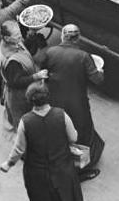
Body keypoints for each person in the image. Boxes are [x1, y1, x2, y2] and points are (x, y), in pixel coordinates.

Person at [0, 82, 84, 201]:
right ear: (47, 97)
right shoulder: (61, 115)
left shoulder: (26, 122)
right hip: (61, 166)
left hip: (36, 168)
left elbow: (19, 148)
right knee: (64, 195)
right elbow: (73, 137)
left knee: (35, 193)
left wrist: (9, 163)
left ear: (30, 101)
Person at [38, 24, 105, 181]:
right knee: (81, 136)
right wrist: (100, 71)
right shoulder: (83, 56)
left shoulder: (51, 52)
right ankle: (78, 172)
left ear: (62, 36)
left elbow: (43, 71)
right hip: (77, 104)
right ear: (78, 38)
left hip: (54, 101)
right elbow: (97, 79)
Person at [0, 20, 47, 129]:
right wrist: (37, 76)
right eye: (17, 36)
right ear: (7, 38)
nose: (20, 38)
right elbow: (16, 82)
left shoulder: (12, 42)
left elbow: (24, 49)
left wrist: (31, 35)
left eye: (20, 34)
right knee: (25, 122)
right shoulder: (11, 61)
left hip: (26, 88)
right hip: (19, 96)